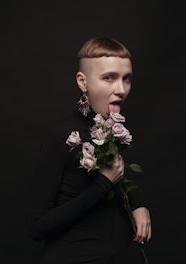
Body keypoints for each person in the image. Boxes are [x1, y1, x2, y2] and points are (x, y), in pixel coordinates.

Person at [27, 37, 152, 264]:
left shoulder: (107, 130)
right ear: (83, 82)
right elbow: (37, 227)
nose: (121, 89)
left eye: (127, 79)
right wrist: (102, 185)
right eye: (109, 78)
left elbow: (119, 178)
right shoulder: (62, 137)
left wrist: (138, 203)